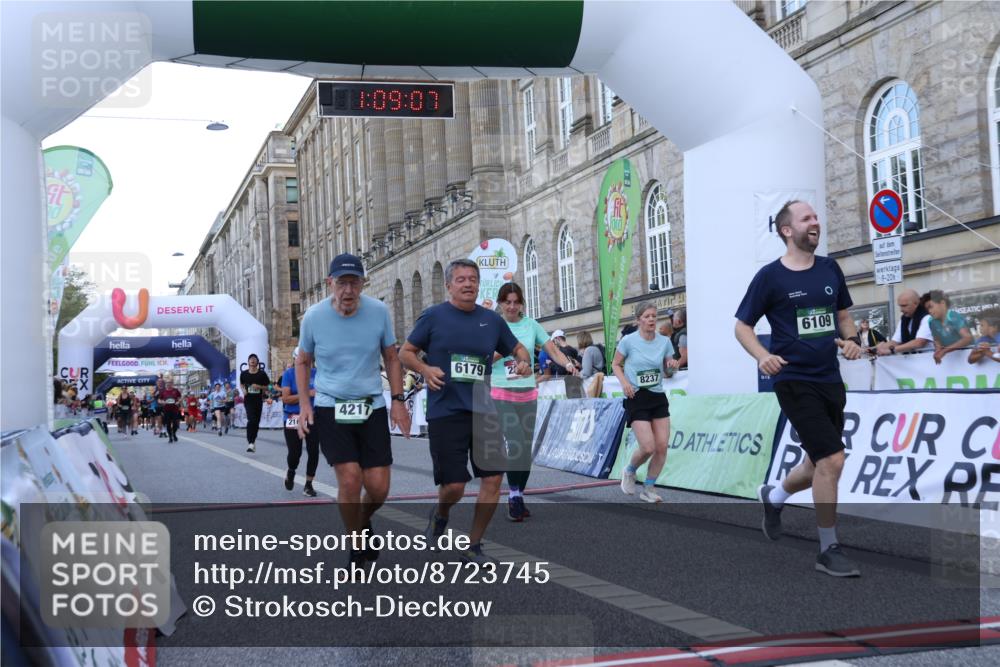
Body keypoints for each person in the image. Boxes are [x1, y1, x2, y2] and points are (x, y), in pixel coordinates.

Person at [734, 199, 863, 577]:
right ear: (786, 230)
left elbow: (842, 315)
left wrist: (852, 339)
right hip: (793, 379)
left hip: (829, 378)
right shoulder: (770, 277)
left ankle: (773, 497)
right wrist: (761, 355)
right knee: (833, 460)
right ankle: (829, 549)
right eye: (807, 218)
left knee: (815, 463)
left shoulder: (829, 268)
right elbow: (742, 326)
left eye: (816, 217)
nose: (815, 222)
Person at [399, 258, 532, 565]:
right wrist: (425, 368)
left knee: (493, 479)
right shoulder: (433, 317)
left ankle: (474, 544)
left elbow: (517, 348)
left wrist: (523, 360)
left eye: (473, 278)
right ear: (449, 286)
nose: (468, 284)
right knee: (455, 486)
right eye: (461, 279)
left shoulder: (491, 320)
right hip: (446, 410)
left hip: (483, 409)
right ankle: (441, 513)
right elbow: (405, 353)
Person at [296, 254, 411, 566]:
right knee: (349, 480)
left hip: (370, 405)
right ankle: (358, 544)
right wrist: (305, 405)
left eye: (354, 282)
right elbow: (302, 361)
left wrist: (398, 402)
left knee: (378, 487)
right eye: (342, 282)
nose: (348, 290)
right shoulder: (313, 317)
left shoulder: (378, 311)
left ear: (363, 284)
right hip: (331, 407)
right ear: (330, 283)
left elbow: (391, 356)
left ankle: (360, 519)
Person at [491, 282, 578, 522]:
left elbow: (552, 350)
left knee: (525, 450)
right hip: (502, 392)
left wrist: (568, 363)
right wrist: (508, 349)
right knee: (516, 443)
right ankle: (513, 497)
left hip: (527, 393)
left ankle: (518, 494)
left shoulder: (531, 325)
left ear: (521, 304)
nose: (511, 306)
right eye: (507, 302)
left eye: (515, 302)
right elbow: (483, 359)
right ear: (500, 303)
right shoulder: (493, 325)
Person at [613, 301, 680, 504]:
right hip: (636, 396)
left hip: (657, 396)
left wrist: (672, 365)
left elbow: (668, 370)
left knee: (661, 447)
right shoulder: (628, 341)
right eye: (647, 316)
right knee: (648, 446)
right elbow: (615, 364)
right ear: (639, 320)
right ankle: (630, 470)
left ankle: (649, 488)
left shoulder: (665, 341)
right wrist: (624, 383)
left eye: (654, 316)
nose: (651, 319)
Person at [282, 347, 320, 497]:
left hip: (313, 416)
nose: (306, 362)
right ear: (295, 359)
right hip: (293, 416)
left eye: (308, 359)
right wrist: (306, 393)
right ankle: (291, 471)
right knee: (295, 453)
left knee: (313, 451)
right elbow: (286, 399)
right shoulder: (289, 374)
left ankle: (309, 484)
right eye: (302, 359)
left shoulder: (317, 374)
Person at [875, 289, 933, 356]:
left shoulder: (928, 318)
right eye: (900, 306)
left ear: (916, 303)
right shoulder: (904, 319)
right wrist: (878, 348)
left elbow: (919, 343)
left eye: (904, 306)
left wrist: (892, 350)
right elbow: (895, 341)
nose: (901, 310)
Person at [924, 290, 973, 365]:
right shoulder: (931, 321)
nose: (929, 311)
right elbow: (937, 340)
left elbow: (967, 338)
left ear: (942, 303)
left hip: (969, 356)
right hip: (953, 360)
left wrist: (944, 351)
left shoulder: (954, 316)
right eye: (927, 309)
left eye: (931, 307)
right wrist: (938, 351)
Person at [240, 354, 270, 453]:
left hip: (258, 401)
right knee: (251, 420)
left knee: (256, 422)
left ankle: (253, 442)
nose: (252, 361)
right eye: (251, 359)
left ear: (257, 362)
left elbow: (268, 387)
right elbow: (242, 384)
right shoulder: (244, 374)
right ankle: (251, 442)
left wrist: (259, 387)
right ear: (248, 362)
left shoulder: (262, 374)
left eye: (254, 359)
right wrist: (243, 390)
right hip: (248, 400)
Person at [159, 378, 183, 443]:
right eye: (167, 383)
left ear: (172, 384)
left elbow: (180, 398)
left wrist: (178, 402)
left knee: (175, 424)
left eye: (170, 383)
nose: (169, 384)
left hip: (174, 409)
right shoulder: (163, 391)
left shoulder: (176, 390)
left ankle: (174, 433)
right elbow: (159, 399)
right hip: (166, 410)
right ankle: (170, 437)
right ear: (166, 384)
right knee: (168, 424)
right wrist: (162, 402)